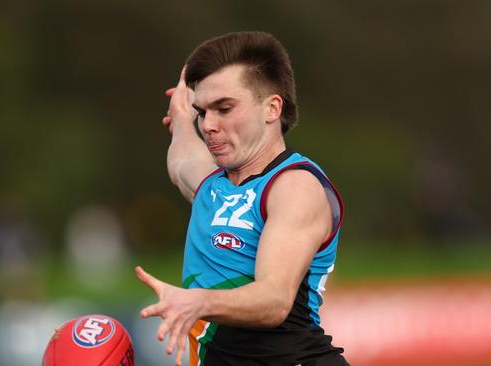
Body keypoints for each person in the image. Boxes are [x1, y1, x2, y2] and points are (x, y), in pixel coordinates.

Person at [135, 31, 347, 366]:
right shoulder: (212, 185)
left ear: (272, 108)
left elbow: (273, 300)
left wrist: (197, 303)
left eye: (224, 108)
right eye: (202, 112)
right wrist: (180, 116)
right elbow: (181, 162)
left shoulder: (293, 186)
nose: (208, 125)